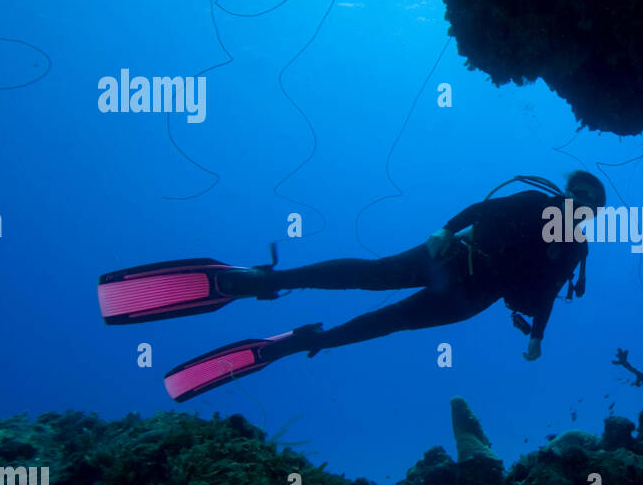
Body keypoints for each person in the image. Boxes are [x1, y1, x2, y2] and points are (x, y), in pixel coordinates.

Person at [96, 171, 606, 402]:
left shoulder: (575, 249)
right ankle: (261, 281)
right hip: (453, 259)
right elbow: (480, 210)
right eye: (578, 192)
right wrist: (446, 229)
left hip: (469, 297)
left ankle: (301, 342)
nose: (580, 202)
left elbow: (545, 297)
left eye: (590, 201)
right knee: (370, 275)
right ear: (566, 190)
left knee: (383, 323)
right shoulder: (534, 204)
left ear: (594, 212)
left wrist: (538, 337)